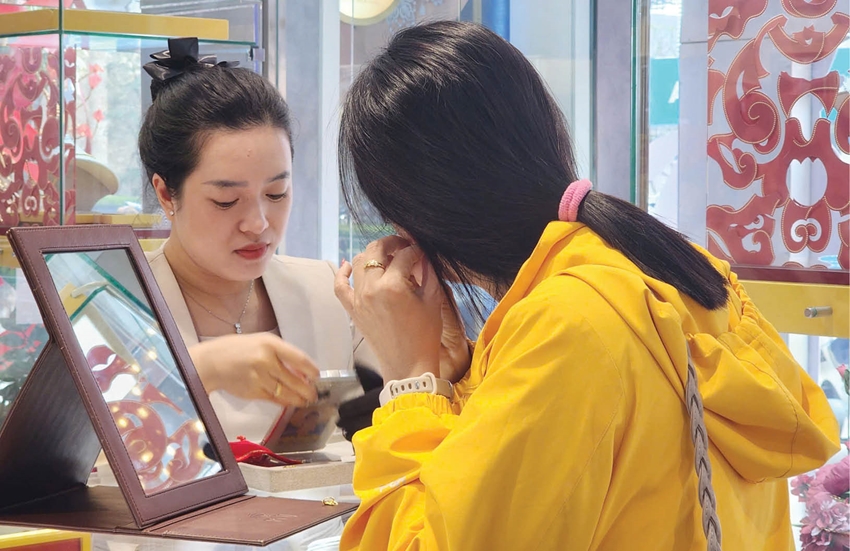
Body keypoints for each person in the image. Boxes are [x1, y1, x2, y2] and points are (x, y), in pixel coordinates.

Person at [332, 21, 840, 551]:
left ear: (419, 216)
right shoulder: (669, 267)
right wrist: (459, 373)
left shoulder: (565, 327)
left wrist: (409, 382)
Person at [137, 37, 378, 443]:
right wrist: (203, 368)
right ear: (166, 194)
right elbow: (93, 450)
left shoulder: (324, 292)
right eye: (226, 201)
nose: (258, 223)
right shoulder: (121, 303)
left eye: (276, 194)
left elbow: (406, 412)